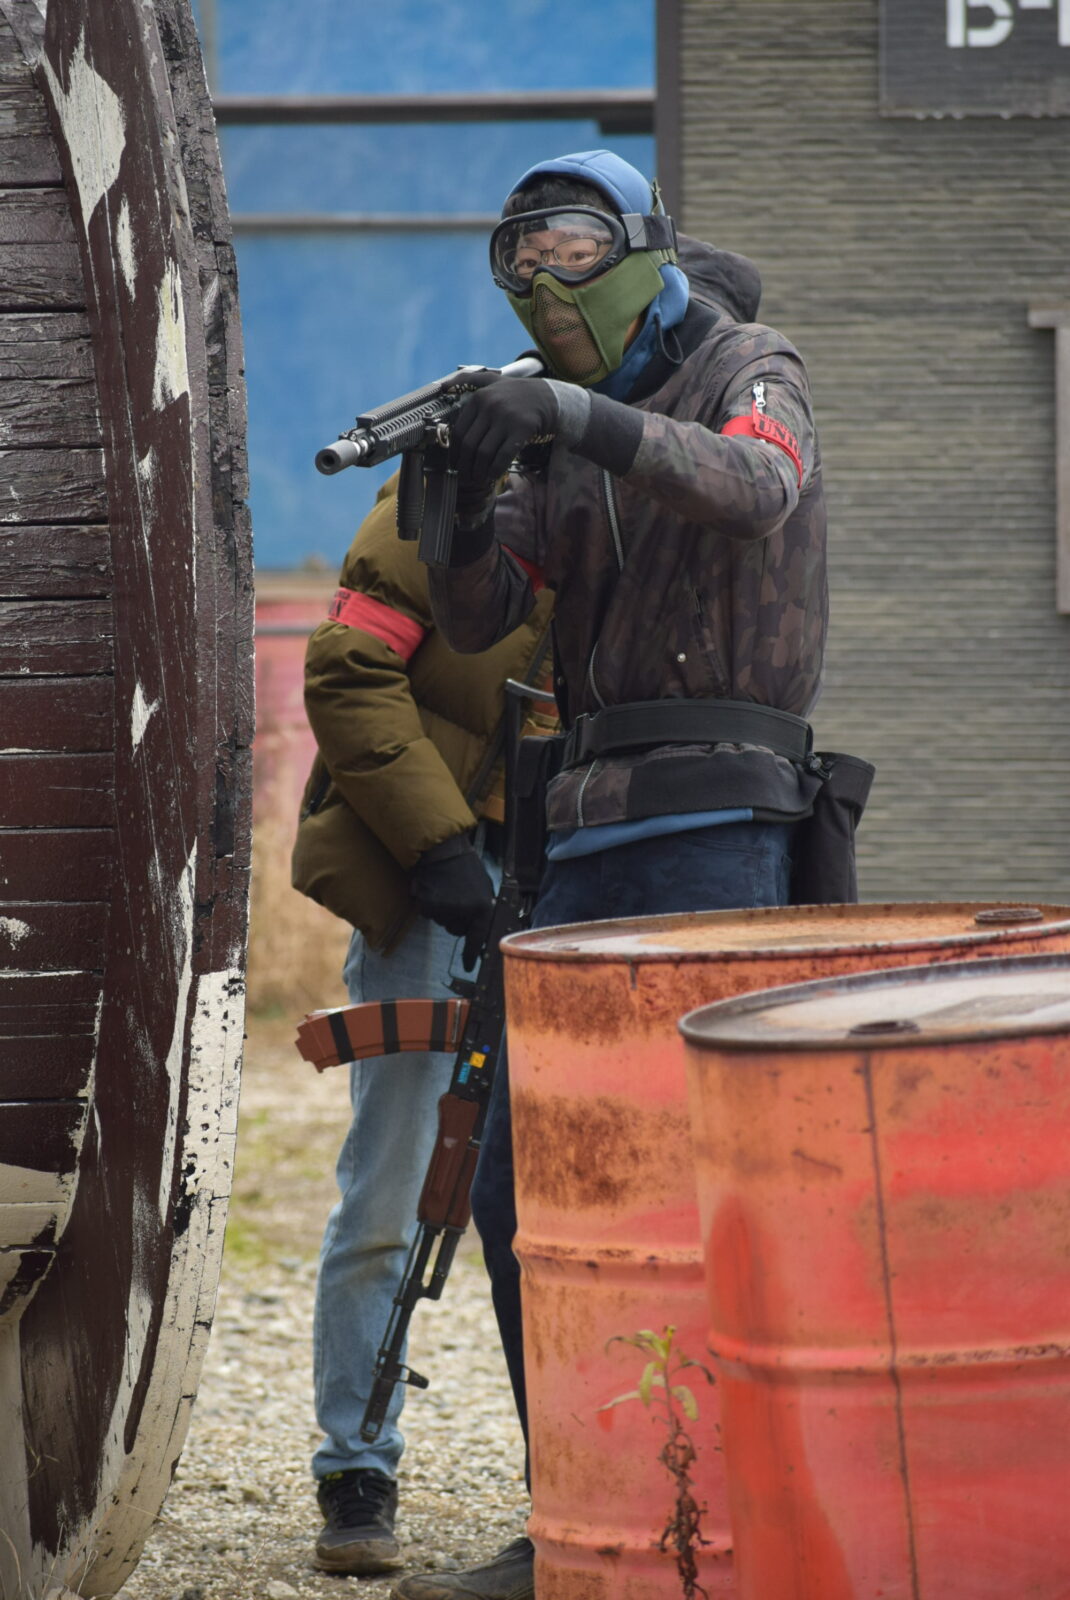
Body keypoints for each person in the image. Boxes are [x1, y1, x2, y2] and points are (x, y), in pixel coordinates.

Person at [390, 149, 830, 1600]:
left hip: (718, 817)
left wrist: (571, 414)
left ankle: (739, 1510)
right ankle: (581, 1514)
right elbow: (476, 618)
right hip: (579, 834)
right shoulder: (557, 435)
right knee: (528, 1194)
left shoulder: (746, 365)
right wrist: (456, 496)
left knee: (699, 1195)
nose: (541, 273)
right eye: (517, 254)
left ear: (643, 245)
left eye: (569, 242)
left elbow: (757, 487)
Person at [291, 477, 554, 1576]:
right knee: (391, 1187)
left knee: (563, 1209)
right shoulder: (444, 487)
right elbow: (348, 669)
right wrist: (442, 849)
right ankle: (355, 1469)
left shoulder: (636, 486)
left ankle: (576, 1481)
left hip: (570, 869)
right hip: (433, 871)